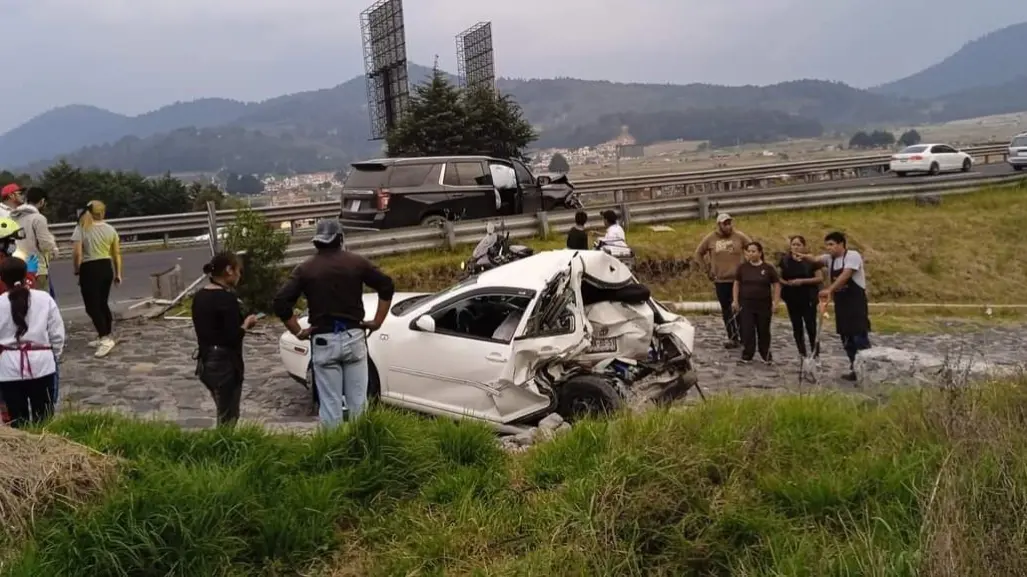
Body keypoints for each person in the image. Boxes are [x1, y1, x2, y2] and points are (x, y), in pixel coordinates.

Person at [272, 219, 395, 428]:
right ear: (340, 239)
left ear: (316, 242)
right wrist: (377, 321)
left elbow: (281, 302)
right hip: (354, 337)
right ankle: (360, 448)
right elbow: (386, 285)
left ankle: (335, 451)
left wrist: (298, 331)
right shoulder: (357, 262)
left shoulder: (305, 269)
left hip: (323, 340)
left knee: (330, 404)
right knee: (359, 402)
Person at [191, 252, 258, 427]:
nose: (239, 275)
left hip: (206, 361)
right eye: (238, 271)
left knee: (222, 411)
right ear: (229, 270)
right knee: (229, 417)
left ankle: (221, 449)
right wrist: (246, 324)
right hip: (224, 363)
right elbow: (232, 336)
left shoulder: (199, 297)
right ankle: (223, 450)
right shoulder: (227, 299)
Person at [0, 257, 65, 428]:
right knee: (44, 419)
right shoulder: (44, 299)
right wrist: (53, 354)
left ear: (2, 278)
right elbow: (57, 333)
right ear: (25, 275)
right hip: (42, 365)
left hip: (9, 369)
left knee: (18, 422)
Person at [799, 231, 872, 381]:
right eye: (826, 245)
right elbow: (815, 260)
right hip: (841, 304)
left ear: (841, 244)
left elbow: (846, 275)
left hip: (855, 303)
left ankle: (867, 370)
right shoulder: (829, 259)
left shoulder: (852, 256)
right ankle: (854, 368)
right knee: (846, 339)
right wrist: (803, 256)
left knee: (859, 337)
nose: (828, 248)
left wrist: (830, 289)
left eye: (831, 245)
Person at [693, 213, 751, 349]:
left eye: (730, 223)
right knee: (727, 310)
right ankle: (732, 337)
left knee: (740, 308)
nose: (728, 226)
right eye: (725, 223)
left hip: (738, 280)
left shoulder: (739, 236)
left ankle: (744, 336)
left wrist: (749, 266)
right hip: (721, 280)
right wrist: (706, 269)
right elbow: (698, 253)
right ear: (719, 225)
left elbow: (752, 248)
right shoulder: (711, 238)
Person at [72, 201, 122, 358]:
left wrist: (77, 269)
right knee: (102, 303)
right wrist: (118, 273)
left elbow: (77, 253)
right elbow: (116, 254)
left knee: (92, 306)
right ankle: (106, 333)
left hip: (90, 268)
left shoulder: (81, 228)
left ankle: (105, 338)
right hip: (106, 267)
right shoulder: (110, 229)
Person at [731, 241, 781, 364]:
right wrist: (735, 300)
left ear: (760, 252)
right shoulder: (742, 268)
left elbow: (776, 285)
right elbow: (736, 284)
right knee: (747, 330)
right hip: (746, 304)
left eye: (754, 251)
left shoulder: (768, 268)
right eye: (749, 251)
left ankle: (766, 355)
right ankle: (747, 355)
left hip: (763, 305)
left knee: (763, 330)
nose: (751, 254)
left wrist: (776, 302)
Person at [778, 235, 823, 358]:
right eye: (794, 244)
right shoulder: (785, 260)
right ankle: (801, 352)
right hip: (791, 296)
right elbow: (779, 276)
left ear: (804, 246)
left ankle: (815, 352)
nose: (796, 247)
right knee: (796, 325)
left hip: (808, 296)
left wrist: (802, 281)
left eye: (798, 245)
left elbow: (819, 278)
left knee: (810, 325)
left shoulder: (810, 260)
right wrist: (785, 282)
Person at [11, 187, 58, 293]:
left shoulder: (13, 216)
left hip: (18, 267)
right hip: (37, 268)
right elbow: (45, 244)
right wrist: (54, 248)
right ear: (42, 201)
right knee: (41, 302)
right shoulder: (38, 218)